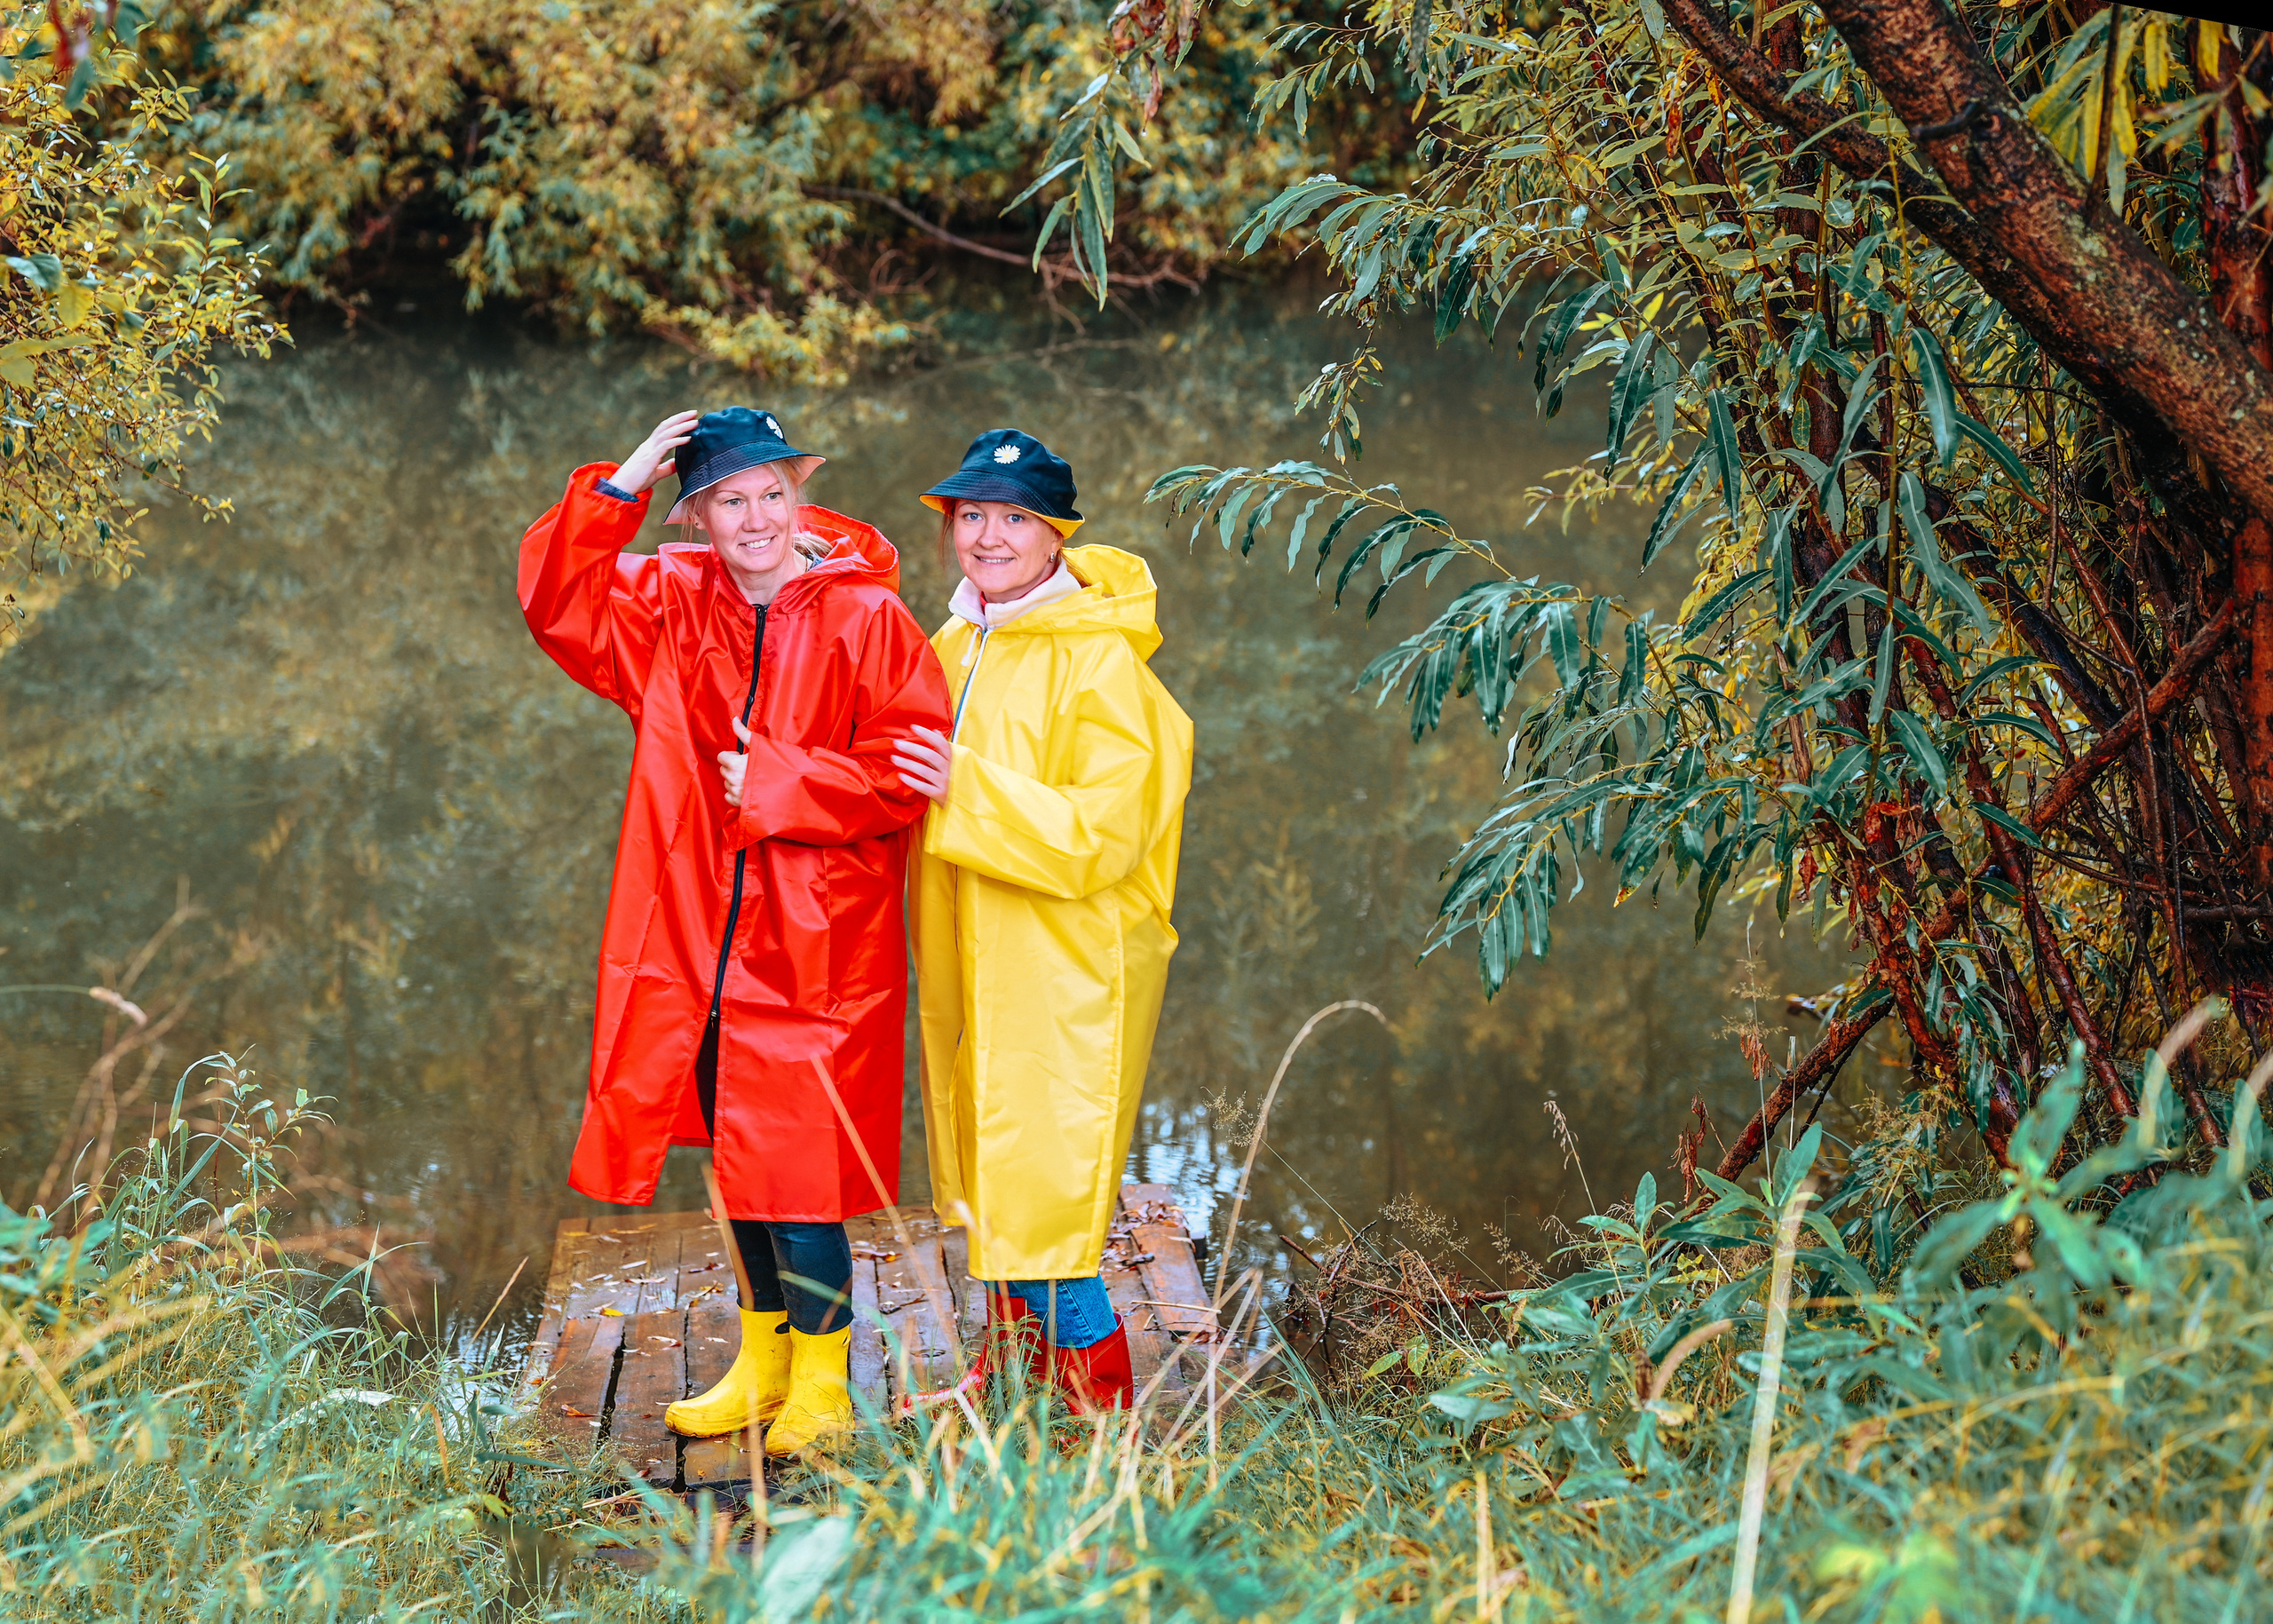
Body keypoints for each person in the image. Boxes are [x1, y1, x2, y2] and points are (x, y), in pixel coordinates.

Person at [519, 407, 950, 1454]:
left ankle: (825, 1381)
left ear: (800, 498)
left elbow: (911, 769)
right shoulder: (670, 602)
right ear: (700, 514)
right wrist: (618, 484)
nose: (754, 517)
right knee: (743, 1165)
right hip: (696, 929)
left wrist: (780, 780)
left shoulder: (867, 618)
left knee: (801, 1175)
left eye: (771, 493)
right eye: (728, 499)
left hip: (816, 936)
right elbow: (558, 602)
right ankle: (762, 1361)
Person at [891, 429, 1193, 1413]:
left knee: (1048, 1207)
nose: (987, 536)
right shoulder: (954, 641)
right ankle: (1009, 1372)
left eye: (1014, 516)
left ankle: (1094, 1413)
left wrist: (962, 785)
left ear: (1057, 533)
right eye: (970, 514)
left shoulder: (1100, 662)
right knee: (990, 1181)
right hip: (975, 953)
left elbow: (1101, 834)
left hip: (1064, 970)